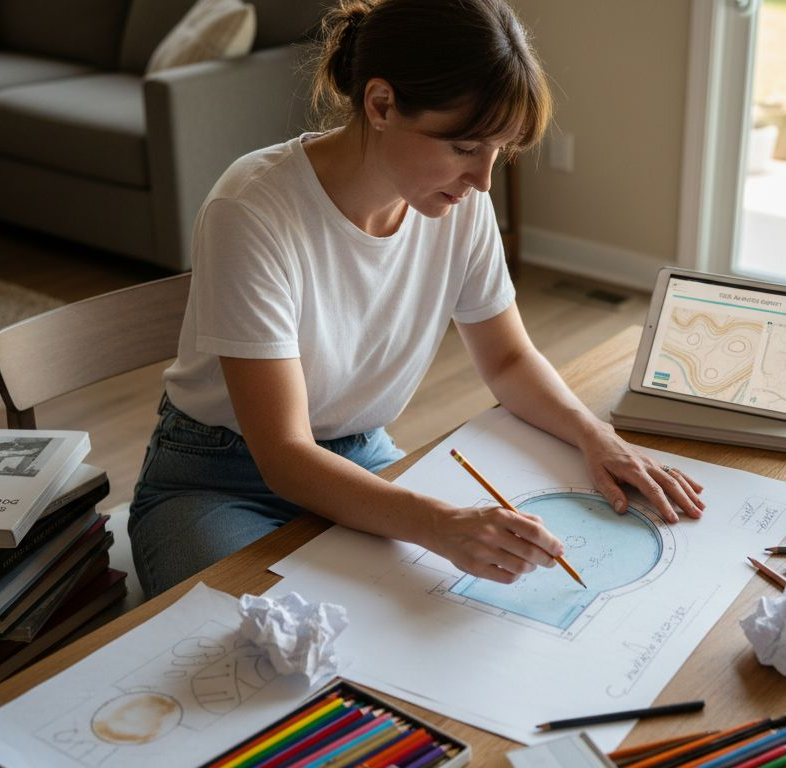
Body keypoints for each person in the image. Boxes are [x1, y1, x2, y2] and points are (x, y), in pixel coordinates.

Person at [128, 0, 705, 599]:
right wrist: (438, 523)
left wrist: (597, 437)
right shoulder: (252, 208)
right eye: (465, 147)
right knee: (260, 641)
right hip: (219, 478)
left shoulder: (457, 203)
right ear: (380, 104)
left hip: (358, 453)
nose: (483, 180)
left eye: (498, 151)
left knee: (445, 612)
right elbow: (285, 454)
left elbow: (506, 361)